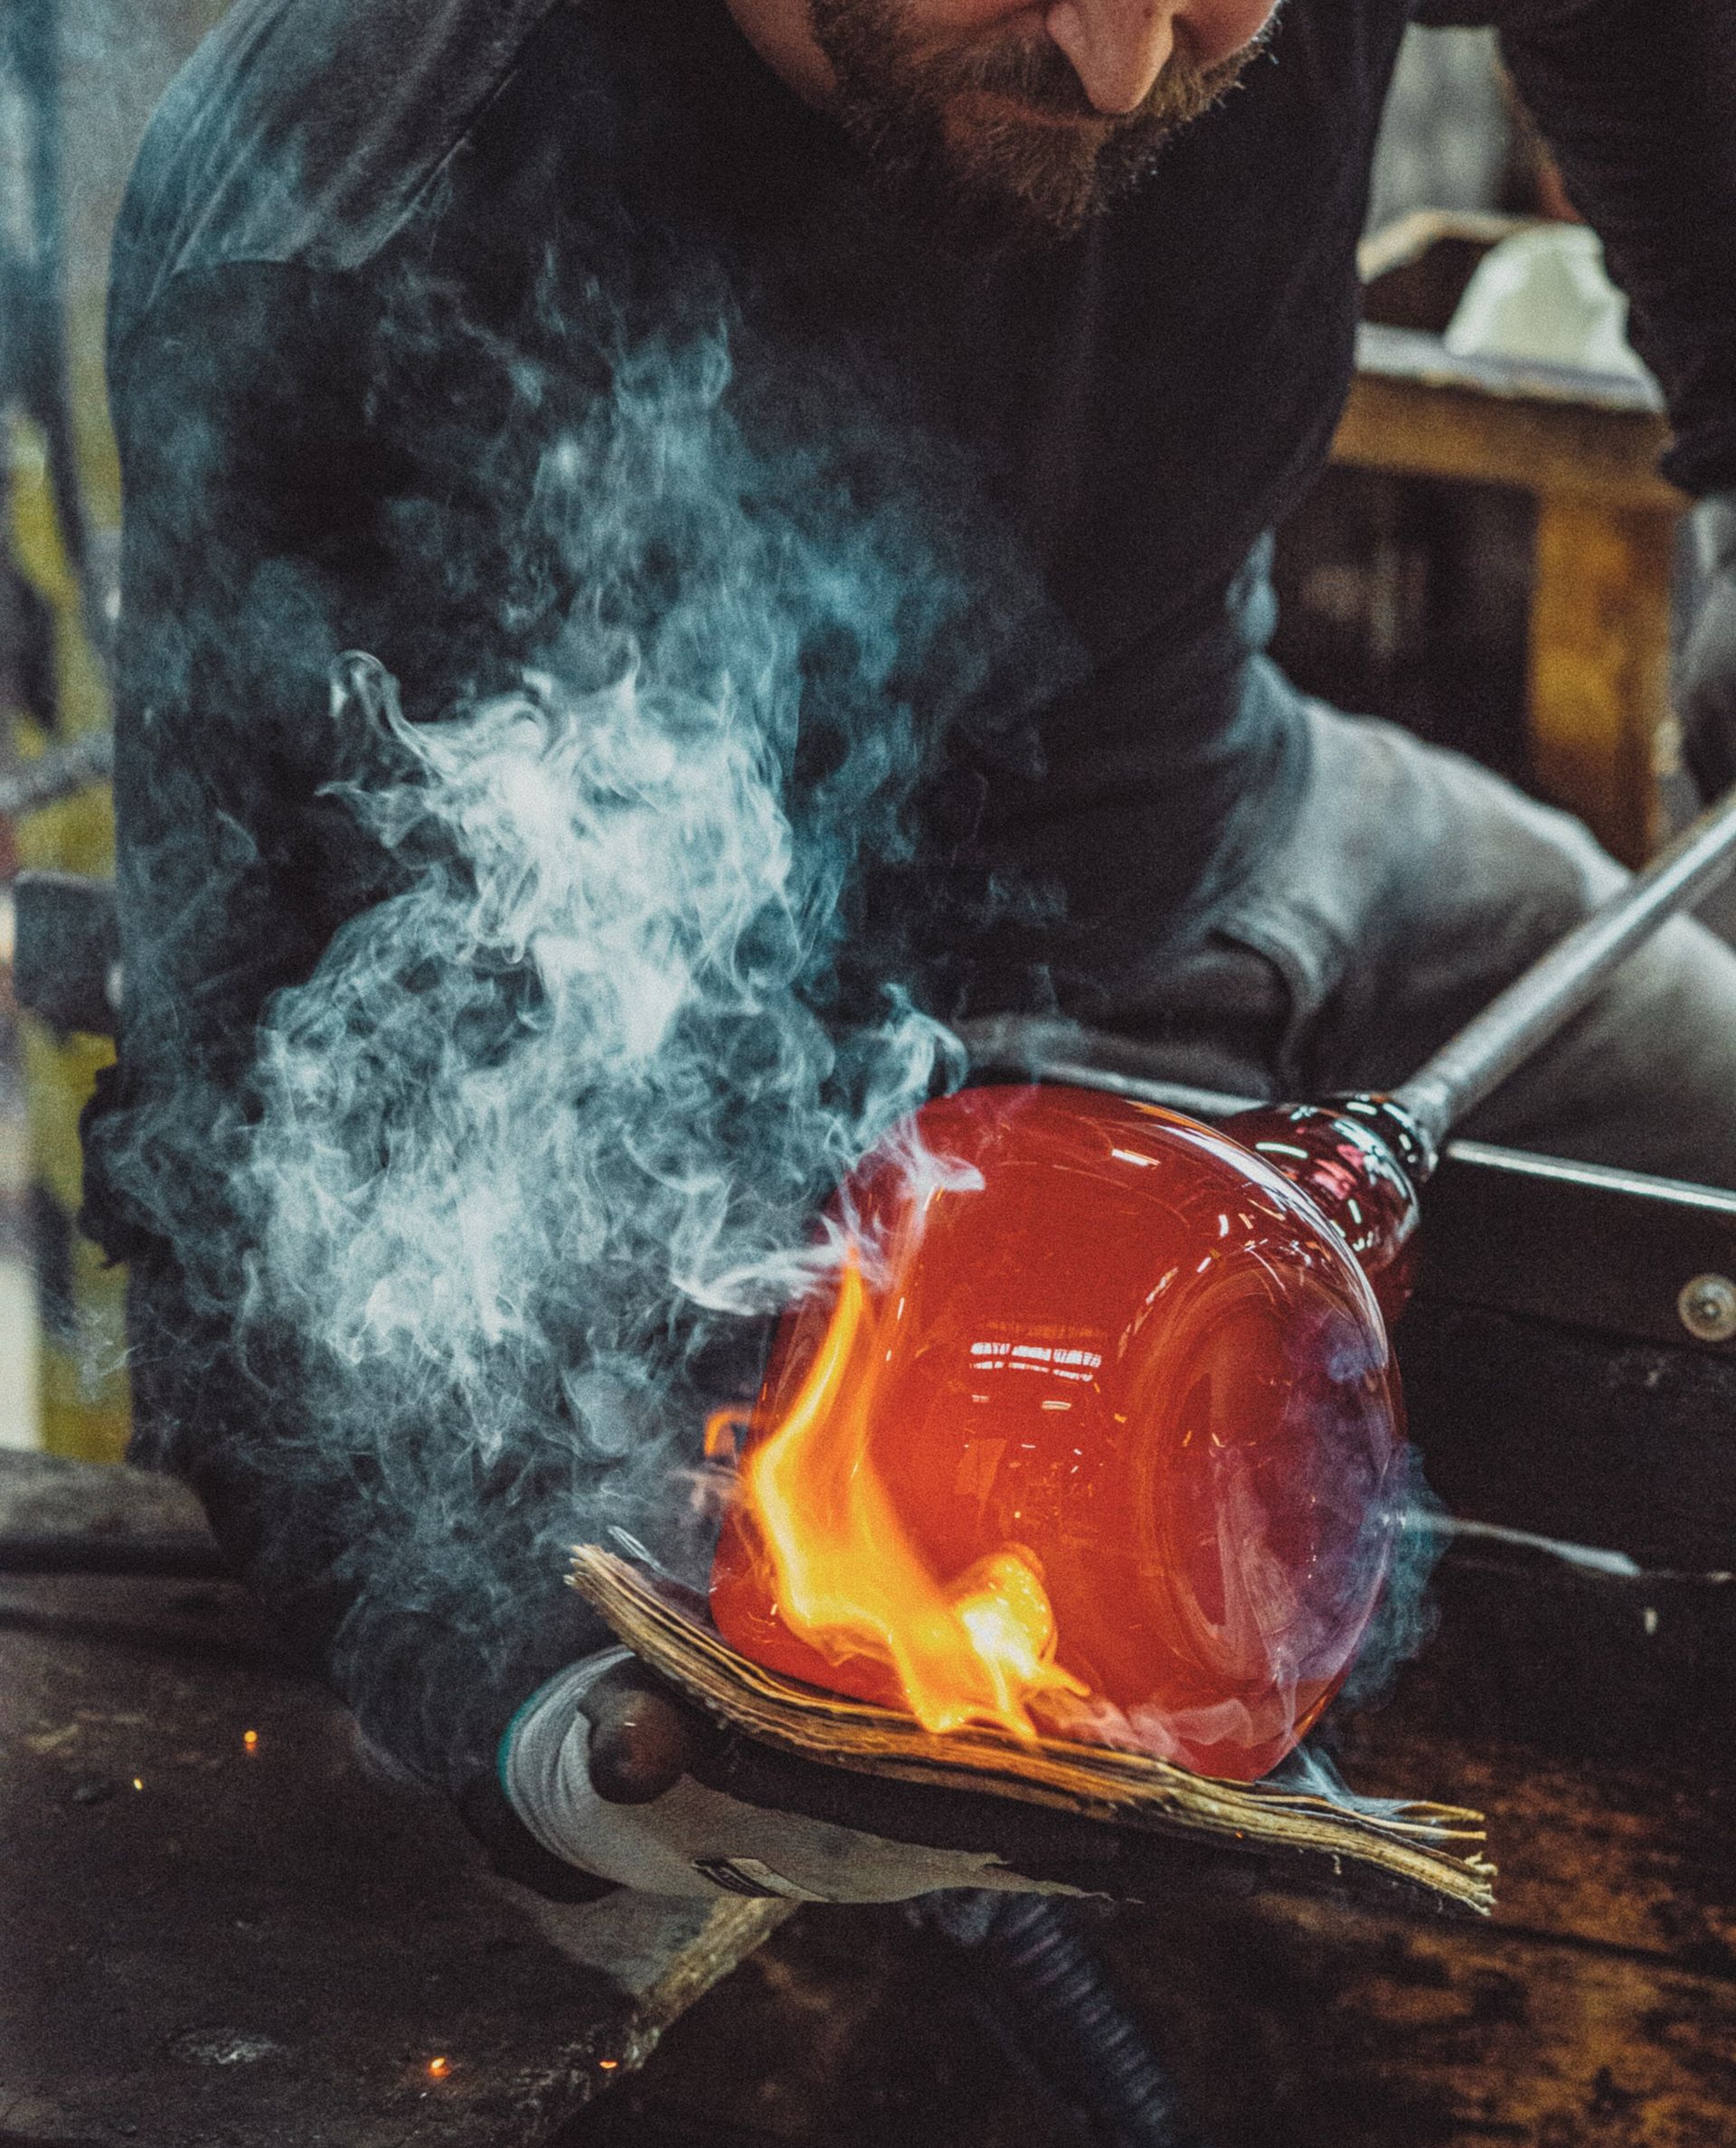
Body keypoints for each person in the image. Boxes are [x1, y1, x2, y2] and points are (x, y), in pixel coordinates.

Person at [84, 0, 1736, 1898]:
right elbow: (227, 1174)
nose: (1125, 65)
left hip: (1261, 810)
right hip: (778, 1164)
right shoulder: (354, 216)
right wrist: (529, 1723)